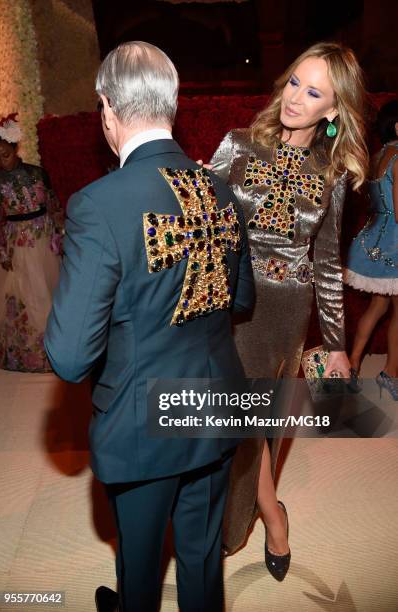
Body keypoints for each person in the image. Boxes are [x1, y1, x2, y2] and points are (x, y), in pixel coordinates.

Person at [44, 41, 255, 612]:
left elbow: (68, 356)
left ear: (107, 109)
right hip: (215, 403)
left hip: (143, 416)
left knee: (137, 574)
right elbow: (240, 298)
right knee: (201, 559)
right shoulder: (218, 188)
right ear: (173, 101)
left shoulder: (100, 203)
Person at [210, 42, 368, 579]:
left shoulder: (334, 171)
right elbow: (207, 227)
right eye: (295, 82)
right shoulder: (238, 145)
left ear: (333, 110)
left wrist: (337, 343)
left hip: (289, 311)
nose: (296, 98)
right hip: (237, 305)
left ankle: (255, 512)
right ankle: (271, 515)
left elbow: (326, 261)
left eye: (314, 91)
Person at [0, 114, 64, 372]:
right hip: (16, 240)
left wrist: (60, 234)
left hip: (42, 237)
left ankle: (56, 349)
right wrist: (2, 249)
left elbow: (54, 205)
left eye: (5, 154)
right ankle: (26, 353)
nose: (2, 162)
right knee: (24, 292)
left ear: (15, 148)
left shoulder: (37, 173)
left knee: (47, 291)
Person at [344, 100, 398, 400]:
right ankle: (391, 374)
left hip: (372, 239)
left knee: (377, 307)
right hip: (395, 244)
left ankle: (352, 365)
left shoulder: (378, 156)